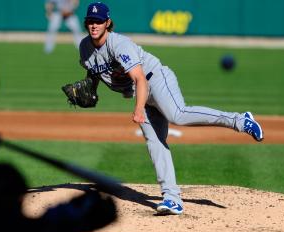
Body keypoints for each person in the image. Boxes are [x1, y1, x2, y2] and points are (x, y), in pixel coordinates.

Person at [77, 2, 264, 215]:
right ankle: (172, 198)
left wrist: (139, 109)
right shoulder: (84, 48)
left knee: (178, 115)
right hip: (142, 92)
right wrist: (91, 89)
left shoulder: (119, 44)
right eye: (91, 21)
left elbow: (139, 78)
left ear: (107, 22)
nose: (94, 25)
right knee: (155, 142)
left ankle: (240, 120)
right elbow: (93, 72)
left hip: (154, 79)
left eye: (99, 21)